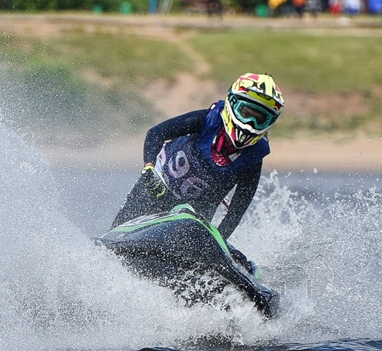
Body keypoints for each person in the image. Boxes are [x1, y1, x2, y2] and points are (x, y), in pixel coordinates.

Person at [111, 73, 286, 243]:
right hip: (155, 192)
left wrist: (219, 242)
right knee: (116, 234)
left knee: (190, 221)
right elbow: (156, 134)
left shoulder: (253, 158)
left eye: (260, 119)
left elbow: (236, 211)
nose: (250, 124)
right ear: (233, 103)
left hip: (192, 219)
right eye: (246, 113)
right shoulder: (206, 120)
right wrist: (149, 168)